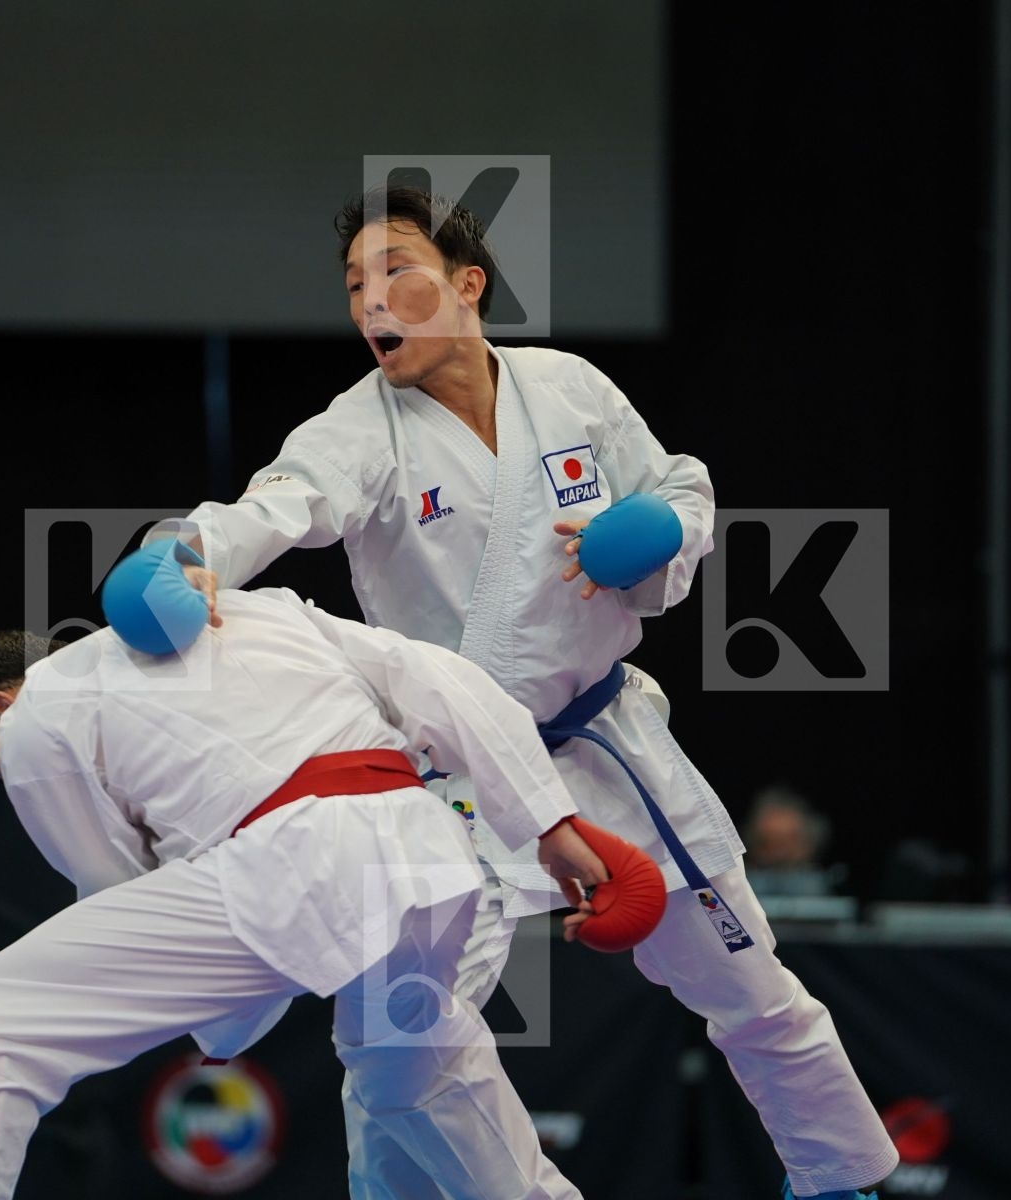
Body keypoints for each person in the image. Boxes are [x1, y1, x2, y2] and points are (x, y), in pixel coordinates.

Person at [159, 185, 894, 1199]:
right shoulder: (360, 429)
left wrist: (656, 534)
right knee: (399, 1041)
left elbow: (679, 487)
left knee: (753, 987)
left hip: (605, 746)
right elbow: (273, 506)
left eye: (396, 272)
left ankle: (839, 1180)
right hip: (454, 777)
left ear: (468, 285)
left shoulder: (569, 388)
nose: (371, 301)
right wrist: (185, 555)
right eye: (355, 285)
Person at [0, 557, 664, 1199]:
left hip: (298, 863)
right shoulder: (260, 608)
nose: (16, 789)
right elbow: (439, 680)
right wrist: (549, 822)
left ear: (2, 702)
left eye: (1, 773)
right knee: (412, 1068)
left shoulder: (35, 714)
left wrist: (220, 1027)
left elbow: (113, 883)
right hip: (427, 855)